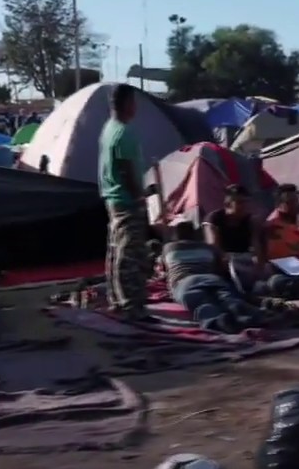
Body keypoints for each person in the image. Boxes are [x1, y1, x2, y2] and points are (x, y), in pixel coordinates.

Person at [98, 84, 152, 321]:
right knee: (130, 252)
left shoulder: (109, 129)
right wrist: (139, 196)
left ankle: (117, 299)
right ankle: (131, 304)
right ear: (128, 103)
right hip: (126, 199)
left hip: (112, 197)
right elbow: (125, 168)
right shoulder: (124, 132)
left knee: (116, 248)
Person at [162, 221, 263, 332]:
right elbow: (221, 267)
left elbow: (164, 270)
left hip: (185, 282)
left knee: (202, 304)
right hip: (212, 278)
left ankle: (218, 321)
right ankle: (248, 315)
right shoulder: (208, 248)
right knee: (228, 298)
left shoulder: (169, 248)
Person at [204, 184, 265, 274]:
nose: (244, 206)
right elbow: (213, 246)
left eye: (246, 202)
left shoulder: (250, 221)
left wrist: (259, 265)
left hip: (244, 259)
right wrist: (225, 261)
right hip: (223, 260)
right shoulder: (214, 218)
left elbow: (256, 247)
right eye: (240, 202)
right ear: (228, 204)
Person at [263, 184, 299, 260]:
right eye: (290, 202)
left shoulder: (298, 219)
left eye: (296, 200)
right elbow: (279, 255)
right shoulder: (273, 226)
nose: (295, 205)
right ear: (279, 204)